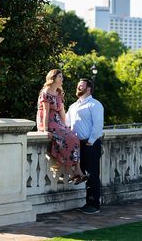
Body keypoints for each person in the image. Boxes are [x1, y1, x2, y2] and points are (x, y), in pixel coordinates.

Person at [37, 69, 88, 184]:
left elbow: (62, 113)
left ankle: (77, 170)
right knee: (67, 139)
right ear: (53, 78)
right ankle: (71, 171)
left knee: (74, 137)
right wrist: (45, 129)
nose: (62, 79)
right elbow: (45, 112)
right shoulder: (46, 92)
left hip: (57, 121)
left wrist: (66, 127)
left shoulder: (59, 93)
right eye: (60, 77)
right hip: (48, 121)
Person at [66, 78, 104, 214]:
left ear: (88, 89)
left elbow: (98, 124)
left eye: (81, 86)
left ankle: (94, 204)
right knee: (82, 174)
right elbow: (66, 123)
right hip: (77, 145)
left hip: (90, 143)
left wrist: (91, 140)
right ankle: (88, 203)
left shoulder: (95, 105)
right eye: (77, 86)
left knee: (91, 174)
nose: (78, 88)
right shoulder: (73, 106)